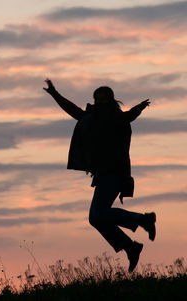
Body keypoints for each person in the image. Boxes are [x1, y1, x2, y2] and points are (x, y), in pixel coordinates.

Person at [43, 79, 156, 272]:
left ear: (111, 100)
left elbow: (129, 116)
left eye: (104, 98)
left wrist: (139, 108)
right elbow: (72, 110)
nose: (100, 102)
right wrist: (55, 94)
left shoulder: (115, 117)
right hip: (103, 175)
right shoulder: (90, 118)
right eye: (97, 99)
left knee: (97, 215)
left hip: (115, 173)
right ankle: (131, 245)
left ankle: (142, 221)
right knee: (96, 218)